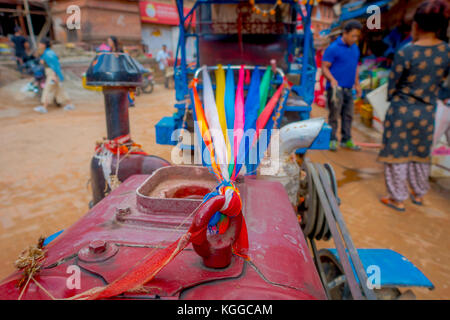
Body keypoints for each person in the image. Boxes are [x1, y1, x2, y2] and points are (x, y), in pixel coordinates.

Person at [378, 0, 449, 212]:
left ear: (416, 25)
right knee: (420, 153)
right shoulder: (446, 52)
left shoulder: (406, 52)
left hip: (402, 109)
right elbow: (443, 80)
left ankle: (397, 198)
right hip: (428, 111)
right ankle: (419, 194)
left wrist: (393, 97)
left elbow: (393, 85)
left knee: (397, 154)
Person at [322, 20, 363, 151]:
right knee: (334, 115)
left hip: (349, 88)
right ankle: (332, 139)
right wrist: (332, 80)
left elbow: (355, 67)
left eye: (357, 36)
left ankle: (346, 139)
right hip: (335, 89)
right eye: (353, 36)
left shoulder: (355, 48)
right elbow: (324, 67)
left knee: (348, 115)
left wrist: (357, 84)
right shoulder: (333, 48)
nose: (355, 39)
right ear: (345, 33)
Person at [34, 38, 75, 114]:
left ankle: (44, 107)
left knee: (48, 89)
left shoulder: (48, 53)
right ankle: (70, 104)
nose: (39, 45)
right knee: (59, 89)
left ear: (44, 45)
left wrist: (54, 76)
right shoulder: (47, 53)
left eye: (40, 44)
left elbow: (55, 66)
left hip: (52, 74)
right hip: (51, 73)